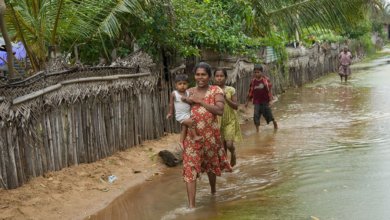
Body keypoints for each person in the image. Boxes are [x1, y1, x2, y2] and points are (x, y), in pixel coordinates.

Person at [182, 62, 232, 208]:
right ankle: (192, 206)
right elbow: (181, 113)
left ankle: (213, 192)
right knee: (190, 168)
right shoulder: (189, 91)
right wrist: (184, 121)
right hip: (192, 138)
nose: (200, 77)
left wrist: (200, 101)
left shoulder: (216, 90)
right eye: (197, 74)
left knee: (210, 166)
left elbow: (219, 110)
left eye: (203, 74)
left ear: (209, 76)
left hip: (210, 137)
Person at [213, 68, 242, 167]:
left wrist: (225, 98)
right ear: (214, 78)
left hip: (230, 120)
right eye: (217, 76)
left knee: (229, 144)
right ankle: (225, 166)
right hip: (217, 120)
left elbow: (236, 106)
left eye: (221, 76)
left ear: (225, 77)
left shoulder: (231, 90)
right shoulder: (212, 90)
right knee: (222, 146)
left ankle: (233, 153)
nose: (219, 78)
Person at [166, 74, 201, 147]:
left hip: (188, 114)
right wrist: (170, 113)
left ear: (187, 84)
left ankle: (181, 142)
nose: (182, 85)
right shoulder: (174, 93)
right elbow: (171, 104)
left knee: (184, 128)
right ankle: (195, 136)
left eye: (184, 83)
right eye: (180, 84)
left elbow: (191, 102)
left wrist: (186, 99)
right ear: (176, 85)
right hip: (180, 115)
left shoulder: (188, 93)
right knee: (191, 122)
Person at [245, 64, 278, 132]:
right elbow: (250, 92)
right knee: (256, 116)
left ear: (262, 72)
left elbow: (269, 90)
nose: (256, 74)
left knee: (269, 115)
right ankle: (257, 130)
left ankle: (274, 122)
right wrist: (247, 102)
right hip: (256, 102)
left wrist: (271, 100)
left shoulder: (265, 80)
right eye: (255, 72)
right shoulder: (253, 81)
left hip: (265, 102)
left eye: (258, 72)